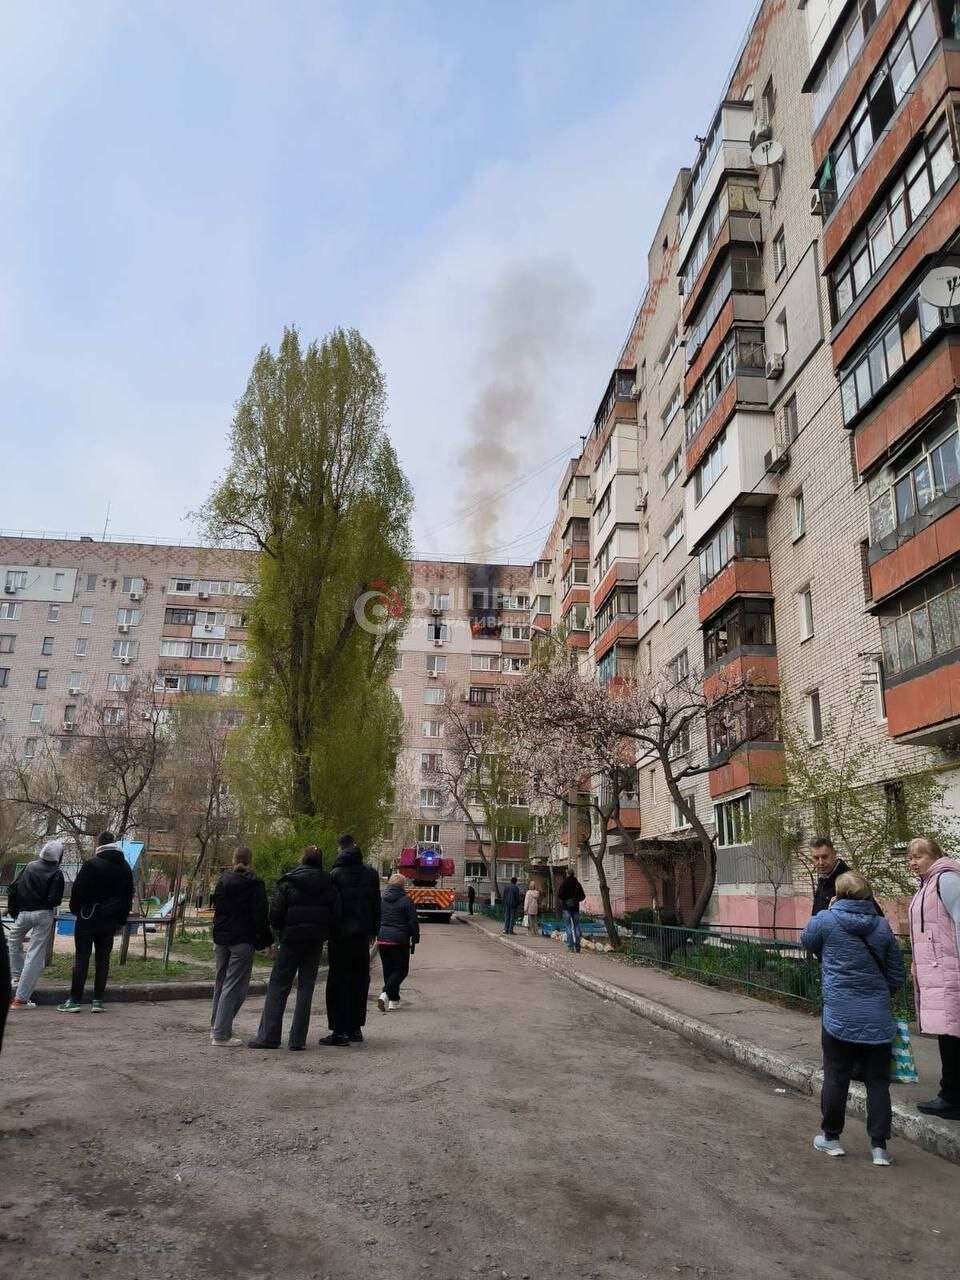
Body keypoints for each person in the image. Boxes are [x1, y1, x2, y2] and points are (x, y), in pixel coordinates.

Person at [801, 871, 905, 1166]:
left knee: (836, 1075)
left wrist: (828, 909)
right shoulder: (882, 926)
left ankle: (831, 1138)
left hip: (839, 1014)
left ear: (839, 894)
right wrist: (880, 997)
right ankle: (879, 1148)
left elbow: (806, 942)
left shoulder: (826, 920)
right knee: (877, 1082)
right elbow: (896, 973)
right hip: (877, 1016)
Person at [248, 846, 341, 1051]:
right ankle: (297, 1040)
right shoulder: (329, 885)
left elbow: (275, 914)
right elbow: (336, 915)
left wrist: (280, 933)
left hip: (291, 940)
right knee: (306, 988)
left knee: (278, 985)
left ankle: (269, 1037)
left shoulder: (289, 882)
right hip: (314, 941)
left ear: (302, 859)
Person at [907, 837, 960, 1121]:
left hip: (951, 972)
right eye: (910, 858)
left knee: (952, 1036)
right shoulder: (927, 884)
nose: (913, 862)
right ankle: (950, 1094)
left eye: (919, 856)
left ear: (935, 855)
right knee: (948, 1034)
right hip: (938, 972)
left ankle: (952, 1097)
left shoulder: (947, 880)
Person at [58, 832, 134, 1013]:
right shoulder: (125, 867)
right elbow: (127, 896)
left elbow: (77, 892)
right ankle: (98, 1000)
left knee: (82, 958)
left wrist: (78, 911)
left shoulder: (91, 865)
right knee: (103, 959)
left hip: (87, 917)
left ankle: (75, 1000)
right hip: (110, 920)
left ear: (99, 844)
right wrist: (120, 920)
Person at [209, 846, 271, 1047]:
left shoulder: (223, 881)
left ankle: (217, 1026)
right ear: (250, 861)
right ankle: (221, 1033)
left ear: (233, 859)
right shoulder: (255, 884)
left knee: (221, 982)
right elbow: (260, 915)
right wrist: (265, 941)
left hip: (222, 938)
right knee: (235, 986)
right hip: (243, 939)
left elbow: (218, 909)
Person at [324, 834, 381, 1046]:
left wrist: (329, 930)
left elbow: (332, 907)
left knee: (338, 981)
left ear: (341, 849)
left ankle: (339, 1031)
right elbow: (376, 903)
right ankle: (355, 1028)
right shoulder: (371, 874)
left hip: (340, 937)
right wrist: (374, 929)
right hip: (362, 936)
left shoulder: (336, 874)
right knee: (359, 981)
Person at [8, 839, 66, 1009]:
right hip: (43, 914)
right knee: (35, 954)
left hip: (23, 913)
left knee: (13, 942)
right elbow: (55, 899)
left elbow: (13, 888)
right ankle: (21, 999)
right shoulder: (57, 873)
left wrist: (14, 910)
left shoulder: (29, 866)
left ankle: (17, 976)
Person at [376, 873, 420, 1012]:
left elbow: (376, 917)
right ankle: (385, 993)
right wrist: (416, 937)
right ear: (402, 885)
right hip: (399, 941)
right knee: (401, 970)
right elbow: (412, 921)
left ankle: (393, 1001)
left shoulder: (382, 899)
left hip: (383, 939)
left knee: (388, 971)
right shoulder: (406, 900)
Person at [557, 868, 586, 953]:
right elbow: (583, 896)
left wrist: (565, 900)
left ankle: (570, 947)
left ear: (567, 874)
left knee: (568, 926)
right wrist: (576, 900)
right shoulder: (577, 884)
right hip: (576, 908)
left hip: (566, 908)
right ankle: (578, 947)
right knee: (577, 926)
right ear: (573, 874)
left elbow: (560, 895)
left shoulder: (564, 883)